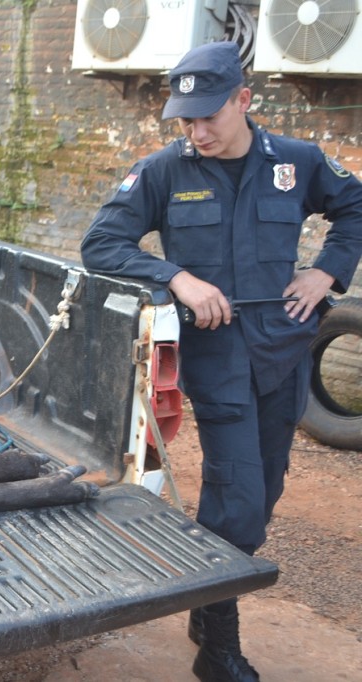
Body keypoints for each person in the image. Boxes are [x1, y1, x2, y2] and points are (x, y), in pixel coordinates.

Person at [81, 41, 362, 681]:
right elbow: (102, 242)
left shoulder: (296, 161)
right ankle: (219, 649)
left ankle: (207, 604)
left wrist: (325, 272)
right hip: (218, 356)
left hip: (284, 347)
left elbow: (356, 205)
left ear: (244, 100)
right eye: (185, 119)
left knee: (265, 486)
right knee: (235, 494)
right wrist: (176, 276)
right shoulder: (163, 171)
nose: (197, 131)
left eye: (209, 115)